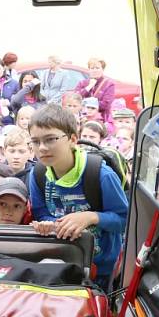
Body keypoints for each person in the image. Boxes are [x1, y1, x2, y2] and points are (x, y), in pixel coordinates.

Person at [28, 105, 129, 292]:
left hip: (101, 268)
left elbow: (124, 220)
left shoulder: (100, 175)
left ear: (73, 139)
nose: (42, 148)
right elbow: (41, 212)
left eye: (51, 139)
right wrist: (52, 224)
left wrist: (90, 217)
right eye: (35, 141)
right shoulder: (38, 174)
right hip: (60, 260)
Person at [75, 57, 117, 128]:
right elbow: (75, 99)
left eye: (97, 68)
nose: (95, 70)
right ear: (89, 70)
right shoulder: (82, 83)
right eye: (92, 68)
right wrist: (88, 87)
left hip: (101, 120)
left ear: (102, 69)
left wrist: (86, 105)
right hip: (83, 119)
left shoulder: (109, 84)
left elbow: (105, 104)